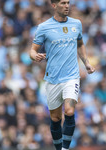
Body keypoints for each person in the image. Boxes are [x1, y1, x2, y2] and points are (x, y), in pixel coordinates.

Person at [29, 0, 95, 150]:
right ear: (54, 5)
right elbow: (32, 50)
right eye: (63, 3)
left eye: (68, 2)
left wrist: (87, 63)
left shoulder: (76, 24)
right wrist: (35, 56)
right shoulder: (44, 27)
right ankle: (58, 148)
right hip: (53, 78)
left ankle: (65, 148)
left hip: (72, 76)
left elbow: (80, 43)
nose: (67, 6)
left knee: (70, 111)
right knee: (55, 118)